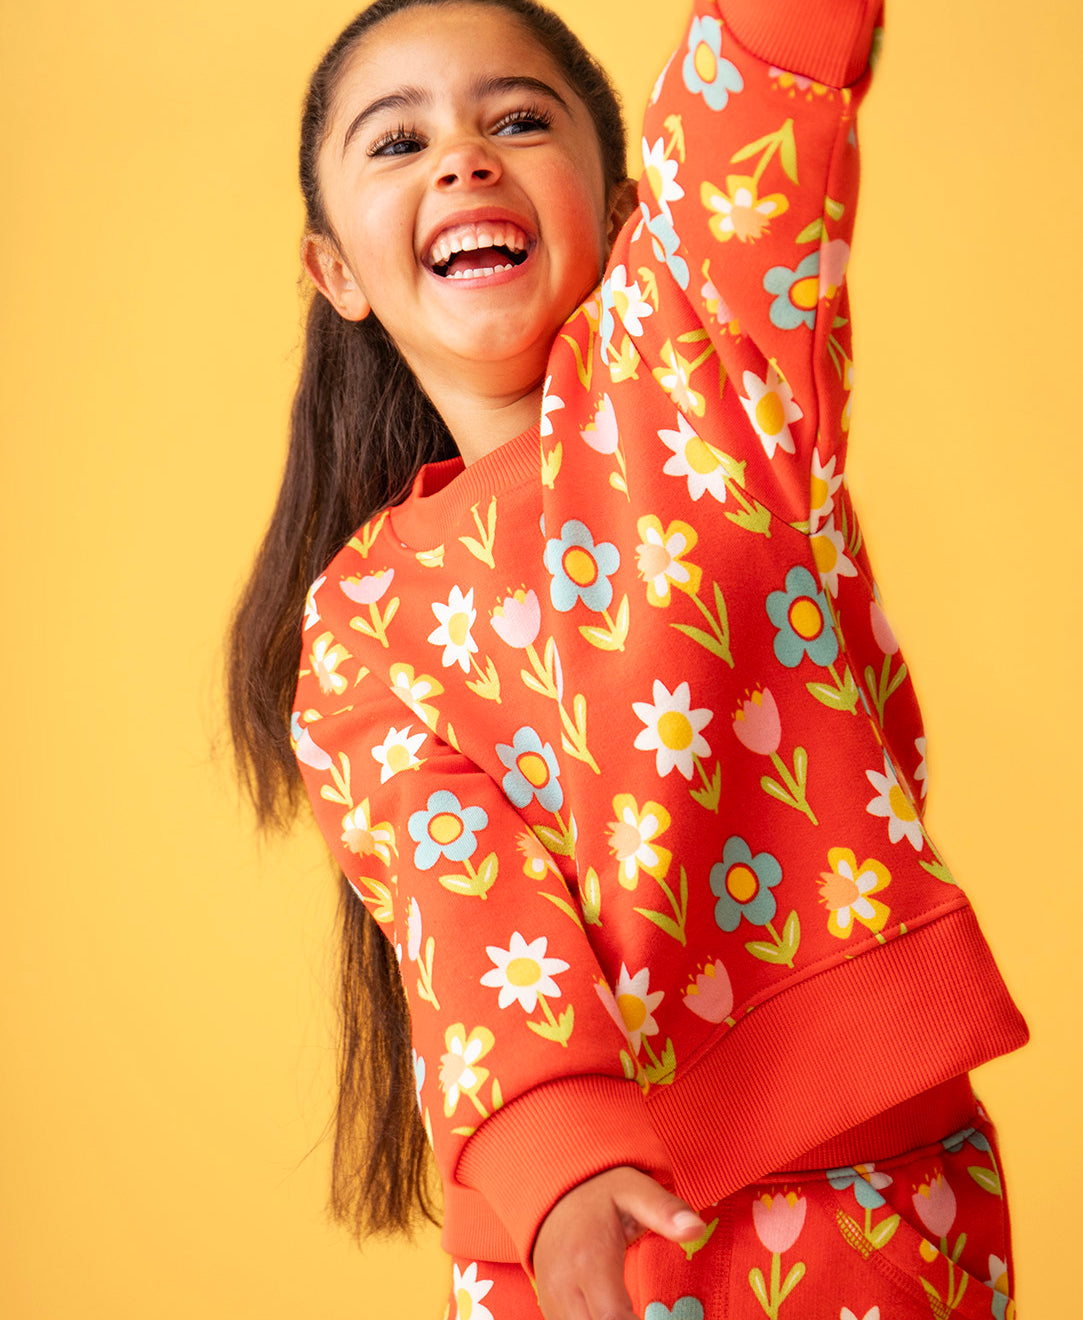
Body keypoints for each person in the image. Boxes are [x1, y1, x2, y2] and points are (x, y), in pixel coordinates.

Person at [228, 0, 1029, 1315]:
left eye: (520, 119)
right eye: (398, 142)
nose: (463, 158)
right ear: (339, 276)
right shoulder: (363, 619)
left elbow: (751, 112)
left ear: (621, 202)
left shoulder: (707, 376)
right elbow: (457, 903)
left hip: (866, 1184)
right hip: (568, 1231)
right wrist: (555, 1162)